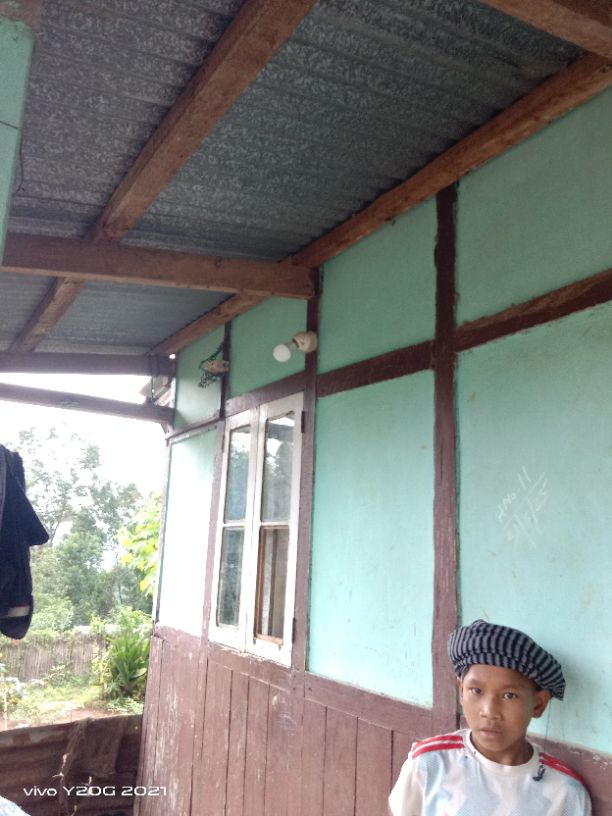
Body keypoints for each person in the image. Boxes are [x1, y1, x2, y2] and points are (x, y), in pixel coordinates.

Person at [388, 619, 591, 815]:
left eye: (509, 695)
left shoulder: (564, 792)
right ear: (461, 691)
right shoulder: (430, 764)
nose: (489, 711)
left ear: (538, 704)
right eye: (476, 691)